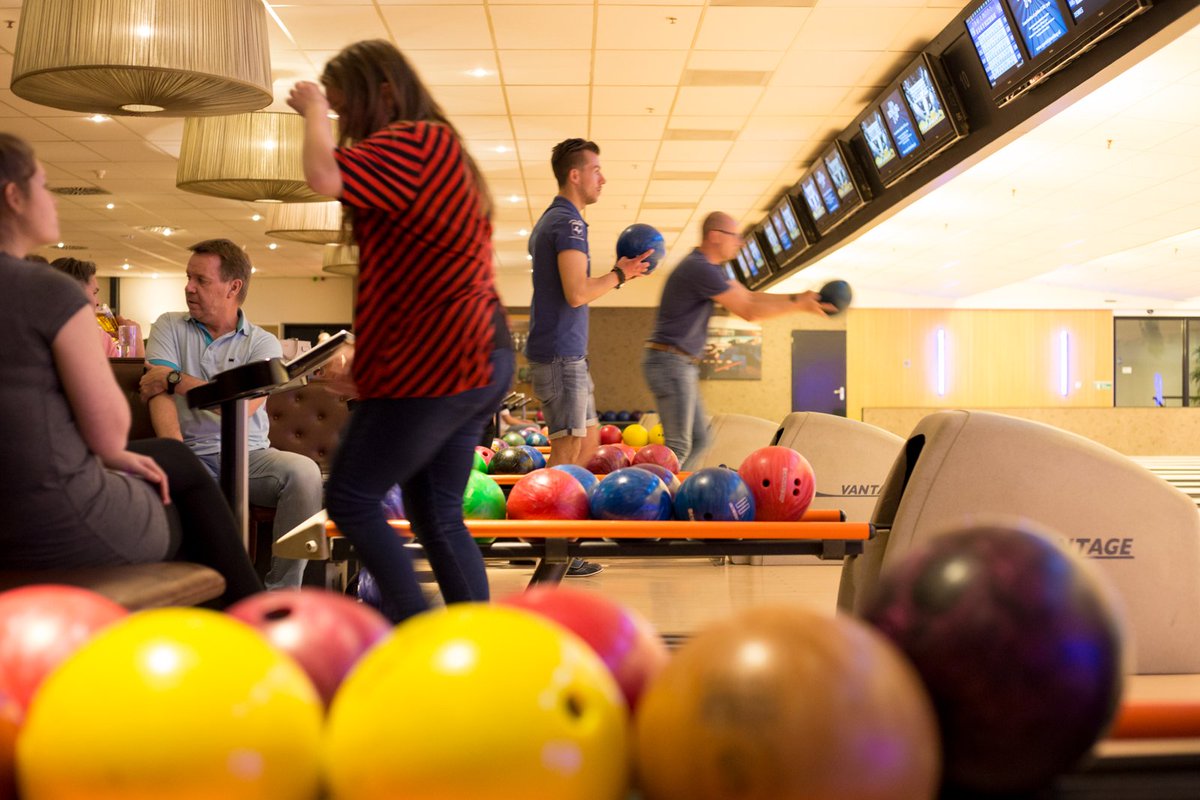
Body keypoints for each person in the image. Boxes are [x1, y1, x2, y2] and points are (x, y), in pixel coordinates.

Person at [287, 39, 514, 623]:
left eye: (346, 108)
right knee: (434, 511)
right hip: (472, 354)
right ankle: (474, 645)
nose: (344, 123)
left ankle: (415, 636)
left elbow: (322, 173)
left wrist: (311, 108)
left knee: (350, 497)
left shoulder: (417, 140)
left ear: (384, 94)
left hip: (443, 359)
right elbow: (409, 280)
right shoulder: (440, 151)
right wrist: (371, 370)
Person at [0, 132, 261, 605]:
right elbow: (108, 430)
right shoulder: (49, 292)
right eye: (42, 184)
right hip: (42, 522)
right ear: (13, 197)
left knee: (174, 461)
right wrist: (111, 453)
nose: (51, 196)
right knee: (184, 505)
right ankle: (251, 620)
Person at [139, 239, 322, 591]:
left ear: (233, 287)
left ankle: (281, 595)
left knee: (304, 473)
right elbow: (155, 392)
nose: (188, 288)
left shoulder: (262, 343)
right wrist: (177, 456)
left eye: (201, 280)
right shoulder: (168, 325)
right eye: (188, 277)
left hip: (252, 455)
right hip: (189, 453)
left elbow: (243, 405)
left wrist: (175, 378)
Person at [526, 139, 654, 577]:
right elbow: (577, 292)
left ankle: (557, 538)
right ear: (575, 175)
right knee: (565, 453)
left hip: (568, 355)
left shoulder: (556, 220)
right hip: (561, 355)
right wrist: (622, 273)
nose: (603, 177)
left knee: (590, 443)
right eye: (596, 169)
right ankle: (549, 549)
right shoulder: (567, 223)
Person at [643, 212, 834, 469]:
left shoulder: (708, 268)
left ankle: (674, 496)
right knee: (679, 446)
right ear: (715, 236)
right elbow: (750, 311)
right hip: (670, 362)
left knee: (699, 439)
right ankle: (652, 503)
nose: (740, 242)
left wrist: (799, 297)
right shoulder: (700, 268)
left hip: (677, 363)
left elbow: (751, 298)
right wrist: (799, 305)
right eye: (735, 236)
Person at [50, 256, 143, 358]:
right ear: (74, 294)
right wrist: (136, 341)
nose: (97, 302)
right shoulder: (96, 338)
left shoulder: (102, 337)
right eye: (94, 293)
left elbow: (123, 372)